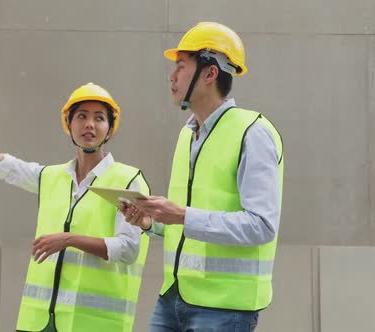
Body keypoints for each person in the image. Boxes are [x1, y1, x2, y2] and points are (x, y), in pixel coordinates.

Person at [0, 70, 150, 331]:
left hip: (94, 324)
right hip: (38, 321)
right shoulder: (49, 177)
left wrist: (69, 239)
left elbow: (129, 249)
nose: (90, 124)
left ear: (110, 129)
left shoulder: (127, 178)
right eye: (82, 116)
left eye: (99, 118)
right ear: (69, 124)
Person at [121, 22, 284, 331]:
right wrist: (150, 221)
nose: (172, 76)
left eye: (181, 67)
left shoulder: (253, 133)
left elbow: (262, 225)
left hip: (225, 308)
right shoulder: (188, 134)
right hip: (173, 297)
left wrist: (181, 215)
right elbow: (188, 218)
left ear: (210, 73)